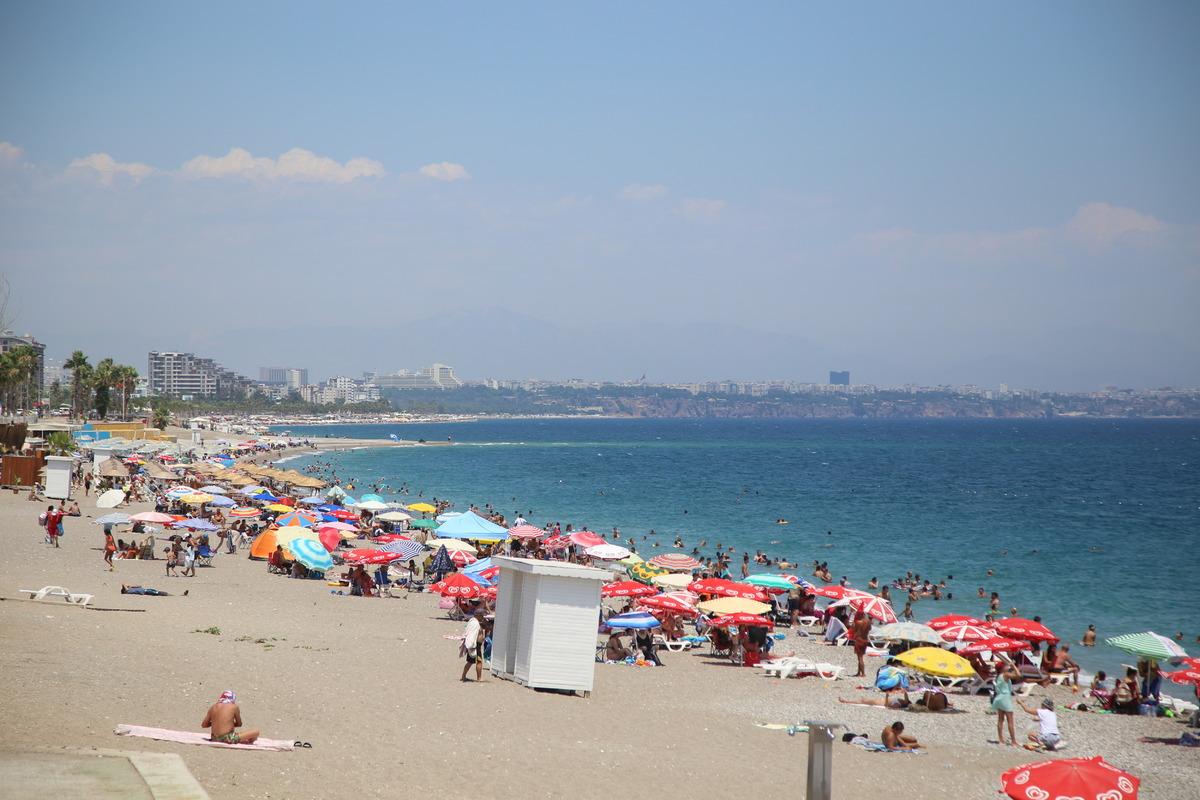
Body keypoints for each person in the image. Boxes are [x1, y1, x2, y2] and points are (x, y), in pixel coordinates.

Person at [991, 659, 1019, 746]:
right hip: (1005, 698)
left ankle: (1000, 740)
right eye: (1005, 666)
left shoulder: (999, 676)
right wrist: (1014, 666)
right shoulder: (1006, 675)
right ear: (1002, 668)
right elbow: (1018, 675)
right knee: (1010, 720)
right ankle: (1013, 741)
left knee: (1000, 720)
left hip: (999, 698)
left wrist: (1011, 666)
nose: (1007, 667)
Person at [460, 608, 486, 682]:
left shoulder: (475, 622)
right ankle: (479, 678)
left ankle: (463, 676)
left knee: (470, 662)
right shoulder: (474, 623)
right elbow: (471, 634)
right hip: (475, 645)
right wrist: (471, 645)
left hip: (476, 645)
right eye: (482, 615)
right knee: (478, 661)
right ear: (478, 615)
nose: (483, 617)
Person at [851, 612, 871, 677]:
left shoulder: (857, 622)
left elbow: (854, 631)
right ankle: (858, 672)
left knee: (860, 657)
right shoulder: (868, 622)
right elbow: (869, 629)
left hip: (859, 640)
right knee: (860, 656)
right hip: (865, 640)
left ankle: (863, 673)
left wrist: (853, 626)